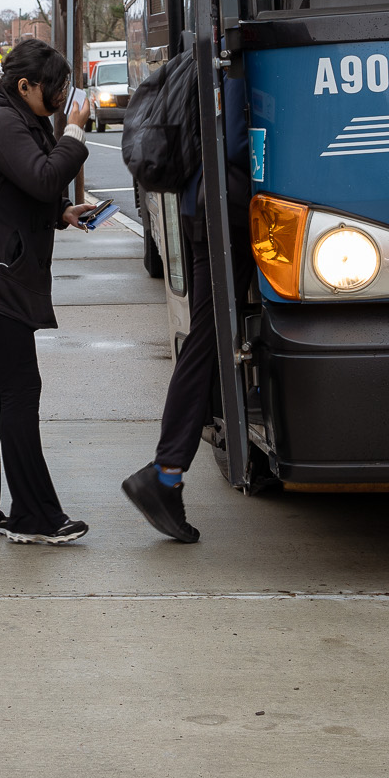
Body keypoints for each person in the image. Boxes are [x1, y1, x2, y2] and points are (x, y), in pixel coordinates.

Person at [0, 37, 102, 546]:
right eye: (54, 88)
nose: (61, 96)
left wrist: (61, 215)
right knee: (20, 391)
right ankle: (36, 516)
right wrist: (74, 134)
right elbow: (42, 176)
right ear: (25, 85)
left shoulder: (13, 118)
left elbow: (14, 193)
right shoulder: (4, 121)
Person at [120, 72, 249, 545]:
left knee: (208, 337)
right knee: (207, 342)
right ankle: (166, 473)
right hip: (227, 212)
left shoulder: (199, 59)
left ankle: (170, 471)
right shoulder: (231, 61)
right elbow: (236, 143)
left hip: (201, 206)